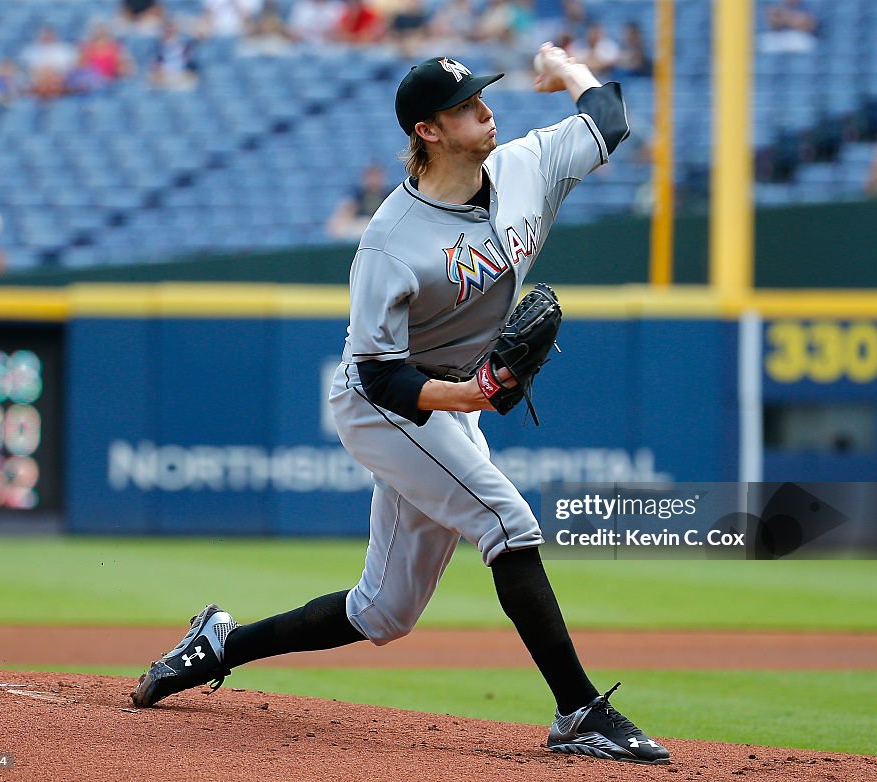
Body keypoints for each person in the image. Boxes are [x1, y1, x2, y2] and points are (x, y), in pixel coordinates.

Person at [131, 45, 670, 766]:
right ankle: (579, 711)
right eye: (466, 105)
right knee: (507, 521)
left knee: (383, 612)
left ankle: (217, 644)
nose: (487, 110)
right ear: (429, 131)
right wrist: (475, 392)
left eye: (484, 97)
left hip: (453, 400)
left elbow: (607, 117)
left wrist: (564, 67)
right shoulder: (390, 241)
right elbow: (382, 377)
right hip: (383, 407)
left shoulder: (524, 166)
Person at [326, 162, 390, 240]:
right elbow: (335, 227)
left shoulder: (390, 198)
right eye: (370, 176)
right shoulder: (355, 198)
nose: (374, 180)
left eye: (377, 176)